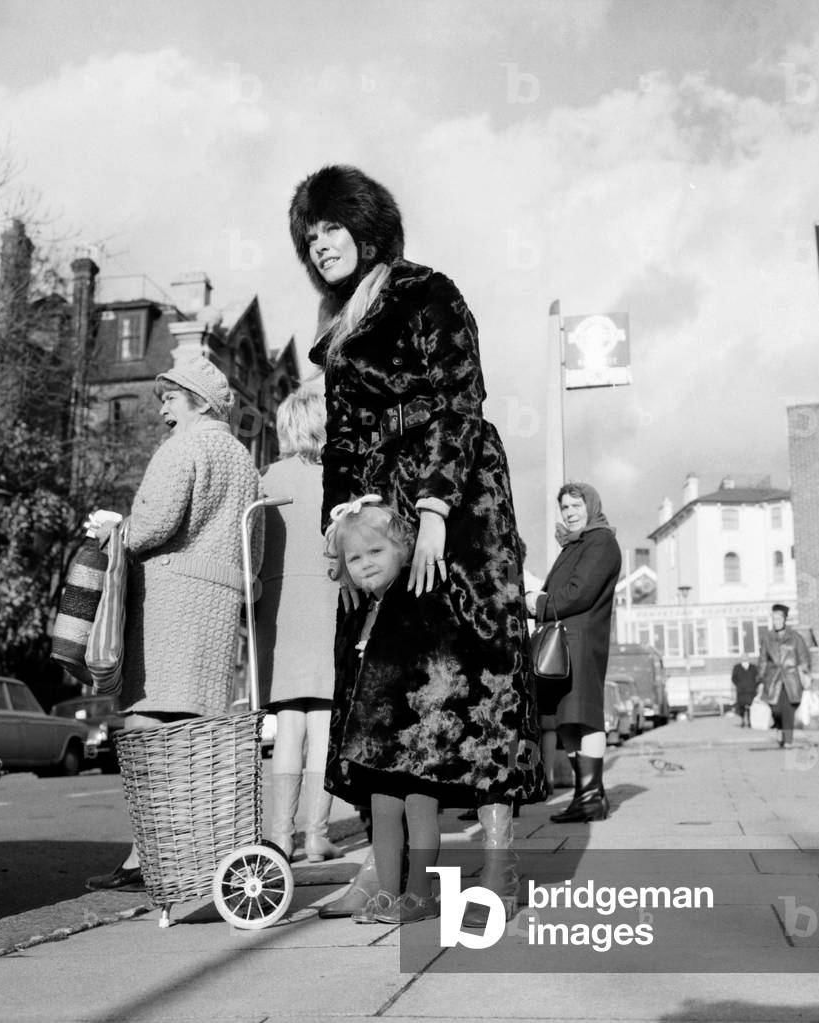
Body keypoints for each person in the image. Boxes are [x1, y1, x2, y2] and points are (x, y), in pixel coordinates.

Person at [289, 164, 545, 928]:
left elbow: (461, 398)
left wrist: (435, 507)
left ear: (367, 228)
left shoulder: (427, 289)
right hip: (372, 521)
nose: (319, 242)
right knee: (378, 688)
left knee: (477, 680)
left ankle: (498, 864)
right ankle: (385, 868)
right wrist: (339, 528)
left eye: (332, 226)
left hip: (459, 506)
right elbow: (340, 441)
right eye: (310, 233)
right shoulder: (337, 327)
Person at [86, 356, 262, 891]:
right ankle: (187, 852)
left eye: (170, 397)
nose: (162, 408)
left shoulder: (183, 447)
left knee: (147, 725)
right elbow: (252, 550)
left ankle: (151, 856)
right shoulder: (241, 459)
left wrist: (116, 529)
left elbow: (152, 527)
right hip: (217, 604)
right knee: (194, 728)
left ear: (198, 400)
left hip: (169, 601)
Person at [323, 497, 447, 924]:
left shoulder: (416, 598)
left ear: (404, 551)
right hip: (377, 737)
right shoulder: (365, 610)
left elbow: (433, 665)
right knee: (384, 814)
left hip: (415, 732)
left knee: (419, 810)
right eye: (355, 558)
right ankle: (390, 893)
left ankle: (420, 895)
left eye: (376, 552)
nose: (365, 564)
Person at [257, 389, 342, 862]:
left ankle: (280, 837)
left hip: (280, 607)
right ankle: (316, 835)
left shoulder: (265, 478)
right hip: (327, 605)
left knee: (288, 725)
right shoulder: (337, 478)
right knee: (324, 725)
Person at [525, 482, 622, 824]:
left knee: (585, 716)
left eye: (575, 506)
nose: (569, 512)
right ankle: (585, 796)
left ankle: (592, 798)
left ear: (591, 505)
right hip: (565, 642)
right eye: (565, 507)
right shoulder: (575, 544)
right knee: (567, 720)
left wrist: (538, 602)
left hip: (581, 642)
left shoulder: (601, 541)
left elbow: (579, 593)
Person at [756, 603, 810, 749]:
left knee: (788, 710)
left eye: (779, 618)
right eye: (774, 618)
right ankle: (778, 726)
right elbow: (762, 660)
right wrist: (760, 680)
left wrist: (805, 674)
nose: (776, 621)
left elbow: (803, 657)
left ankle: (788, 740)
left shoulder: (795, 637)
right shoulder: (767, 638)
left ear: (785, 619)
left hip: (791, 679)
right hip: (773, 679)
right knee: (776, 709)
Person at [731, 655, 759, 727]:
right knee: (741, 708)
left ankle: (750, 722)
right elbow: (734, 678)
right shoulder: (737, 667)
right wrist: (739, 685)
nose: (745, 660)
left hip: (751, 691)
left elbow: (757, 678)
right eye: (743, 658)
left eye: (746, 658)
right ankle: (743, 721)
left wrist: (754, 685)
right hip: (741, 692)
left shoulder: (753, 667)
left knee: (751, 708)